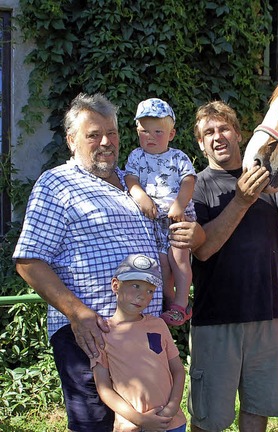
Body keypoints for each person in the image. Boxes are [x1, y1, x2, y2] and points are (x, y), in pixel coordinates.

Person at [13, 93, 163, 432]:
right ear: (71, 140)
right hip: (91, 336)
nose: (106, 142)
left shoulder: (131, 183)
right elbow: (29, 260)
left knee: (145, 423)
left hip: (143, 335)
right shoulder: (57, 184)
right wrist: (77, 314)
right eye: (93, 134)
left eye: (111, 133)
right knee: (95, 425)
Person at [169, 100, 278, 432]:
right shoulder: (197, 188)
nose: (217, 137)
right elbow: (204, 251)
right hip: (216, 321)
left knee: (258, 406)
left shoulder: (264, 181)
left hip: (266, 315)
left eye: (223, 129)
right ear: (201, 143)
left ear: (238, 134)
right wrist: (241, 201)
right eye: (209, 132)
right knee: (209, 418)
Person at [92, 253, 187, 432]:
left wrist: (172, 408)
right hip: (131, 426)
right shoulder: (102, 333)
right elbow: (104, 389)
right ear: (115, 285)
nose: (142, 296)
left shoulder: (158, 325)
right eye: (135, 286)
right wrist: (140, 420)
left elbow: (178, 370)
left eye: (150, 290)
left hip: (172, 423)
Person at [125, 97, 196, 326]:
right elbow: (131, 179)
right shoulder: (137, 156)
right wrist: (141, 196)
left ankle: (181, 304)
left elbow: (188, 181)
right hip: (152, 220)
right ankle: (169, 301)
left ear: (171, 134)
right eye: (145, 132)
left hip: (176, 218)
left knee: (179, 258)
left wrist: (179, 205)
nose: (151, 137)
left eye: (158, 132)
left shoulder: (178, 157)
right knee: (162, 263)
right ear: (138, 131)